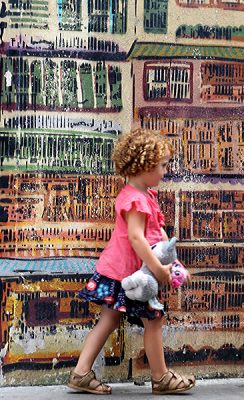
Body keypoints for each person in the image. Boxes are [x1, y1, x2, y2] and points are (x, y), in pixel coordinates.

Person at [67, 129, 195, 395]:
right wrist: (160, 270)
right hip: (128, 274)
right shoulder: (136, 200)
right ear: (145, 166)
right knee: (153, 320)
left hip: (125, 272)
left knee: (110, 320)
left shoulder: (144, 196)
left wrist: (175, 266)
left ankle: (81, 373)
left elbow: (160, 238)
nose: (165, 171)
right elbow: (137, 239)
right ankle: (161, 378)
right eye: (162, 165)